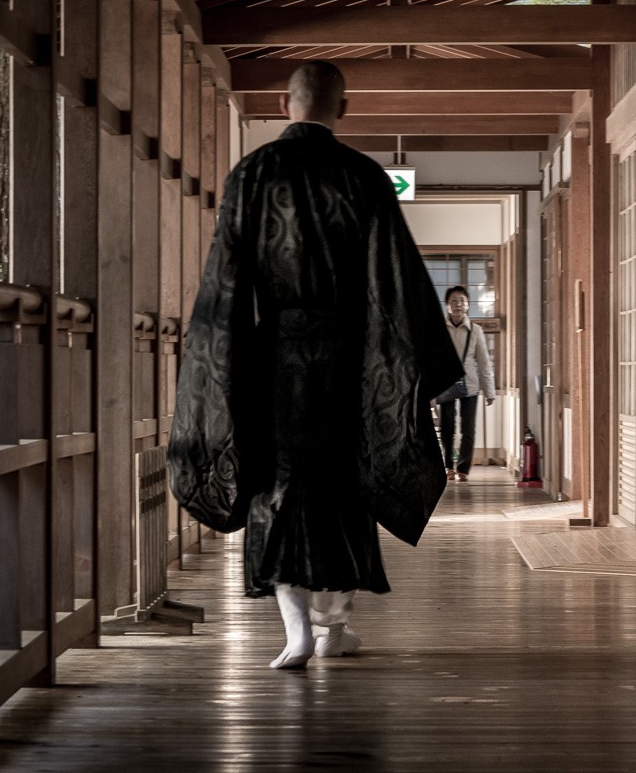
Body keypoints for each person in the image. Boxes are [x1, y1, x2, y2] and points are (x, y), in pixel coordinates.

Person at [167, 61, 462, 670]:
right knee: (346, 485)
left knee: (277, 487)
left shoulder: (251, 174)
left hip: (273, 360)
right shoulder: (364, 176)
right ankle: (336, 629)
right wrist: (415, 363)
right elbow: (397, 279)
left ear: (283, 102)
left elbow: (224, 282)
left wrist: (219, 359)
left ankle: (295, 630)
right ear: (343, 108)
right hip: (349, 364)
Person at [437, 285, 496, 482]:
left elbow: (484, 361)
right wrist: (428, 391)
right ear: (447, 306)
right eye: (453, 301)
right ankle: (448, 466)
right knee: (447, 428)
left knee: (468, 428)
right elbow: (431, 360)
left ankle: (463, 468)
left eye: (462, 301)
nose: (458, 305)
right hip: (445, 383)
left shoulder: (476, 331)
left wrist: (490, 391)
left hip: (470, 385)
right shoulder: (439, 329)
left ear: (468, 305)